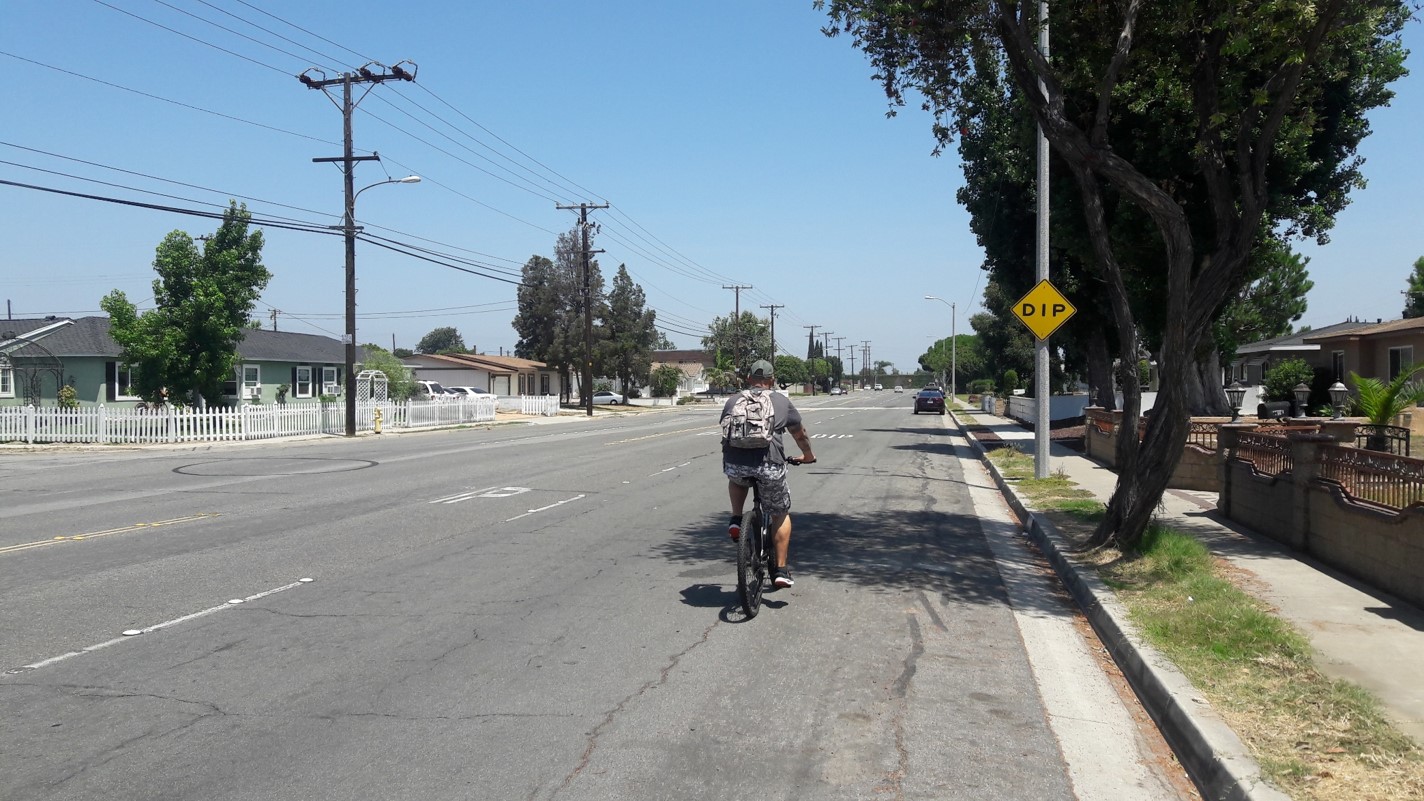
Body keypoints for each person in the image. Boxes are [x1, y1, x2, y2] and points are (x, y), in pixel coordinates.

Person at [721, 359, 815, 589]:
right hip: (769, 466)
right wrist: (808, 455)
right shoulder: (781, 401)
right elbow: (799, 434)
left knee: (737, 478)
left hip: (736, 463)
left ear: (748, 379)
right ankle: (781, 570)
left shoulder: (733, 400)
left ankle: (736, 518)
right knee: (780, 513)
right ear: (771, 380)